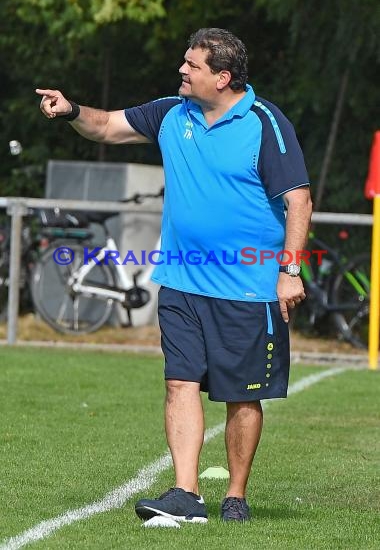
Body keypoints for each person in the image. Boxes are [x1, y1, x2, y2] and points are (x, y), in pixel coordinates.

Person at [37, 27, 312, 523]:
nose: (182, 70)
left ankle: (235, 495)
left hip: (247, 286)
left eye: (193, 65)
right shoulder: (171, 113)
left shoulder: (266, 122)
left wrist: (290, 271)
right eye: (184, 62)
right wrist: (72, 110)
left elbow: (299, 199)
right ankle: (186, 494)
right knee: (179, 382)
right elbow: (106, 126)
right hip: (182, 282)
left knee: (241, 395)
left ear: (222, 77)